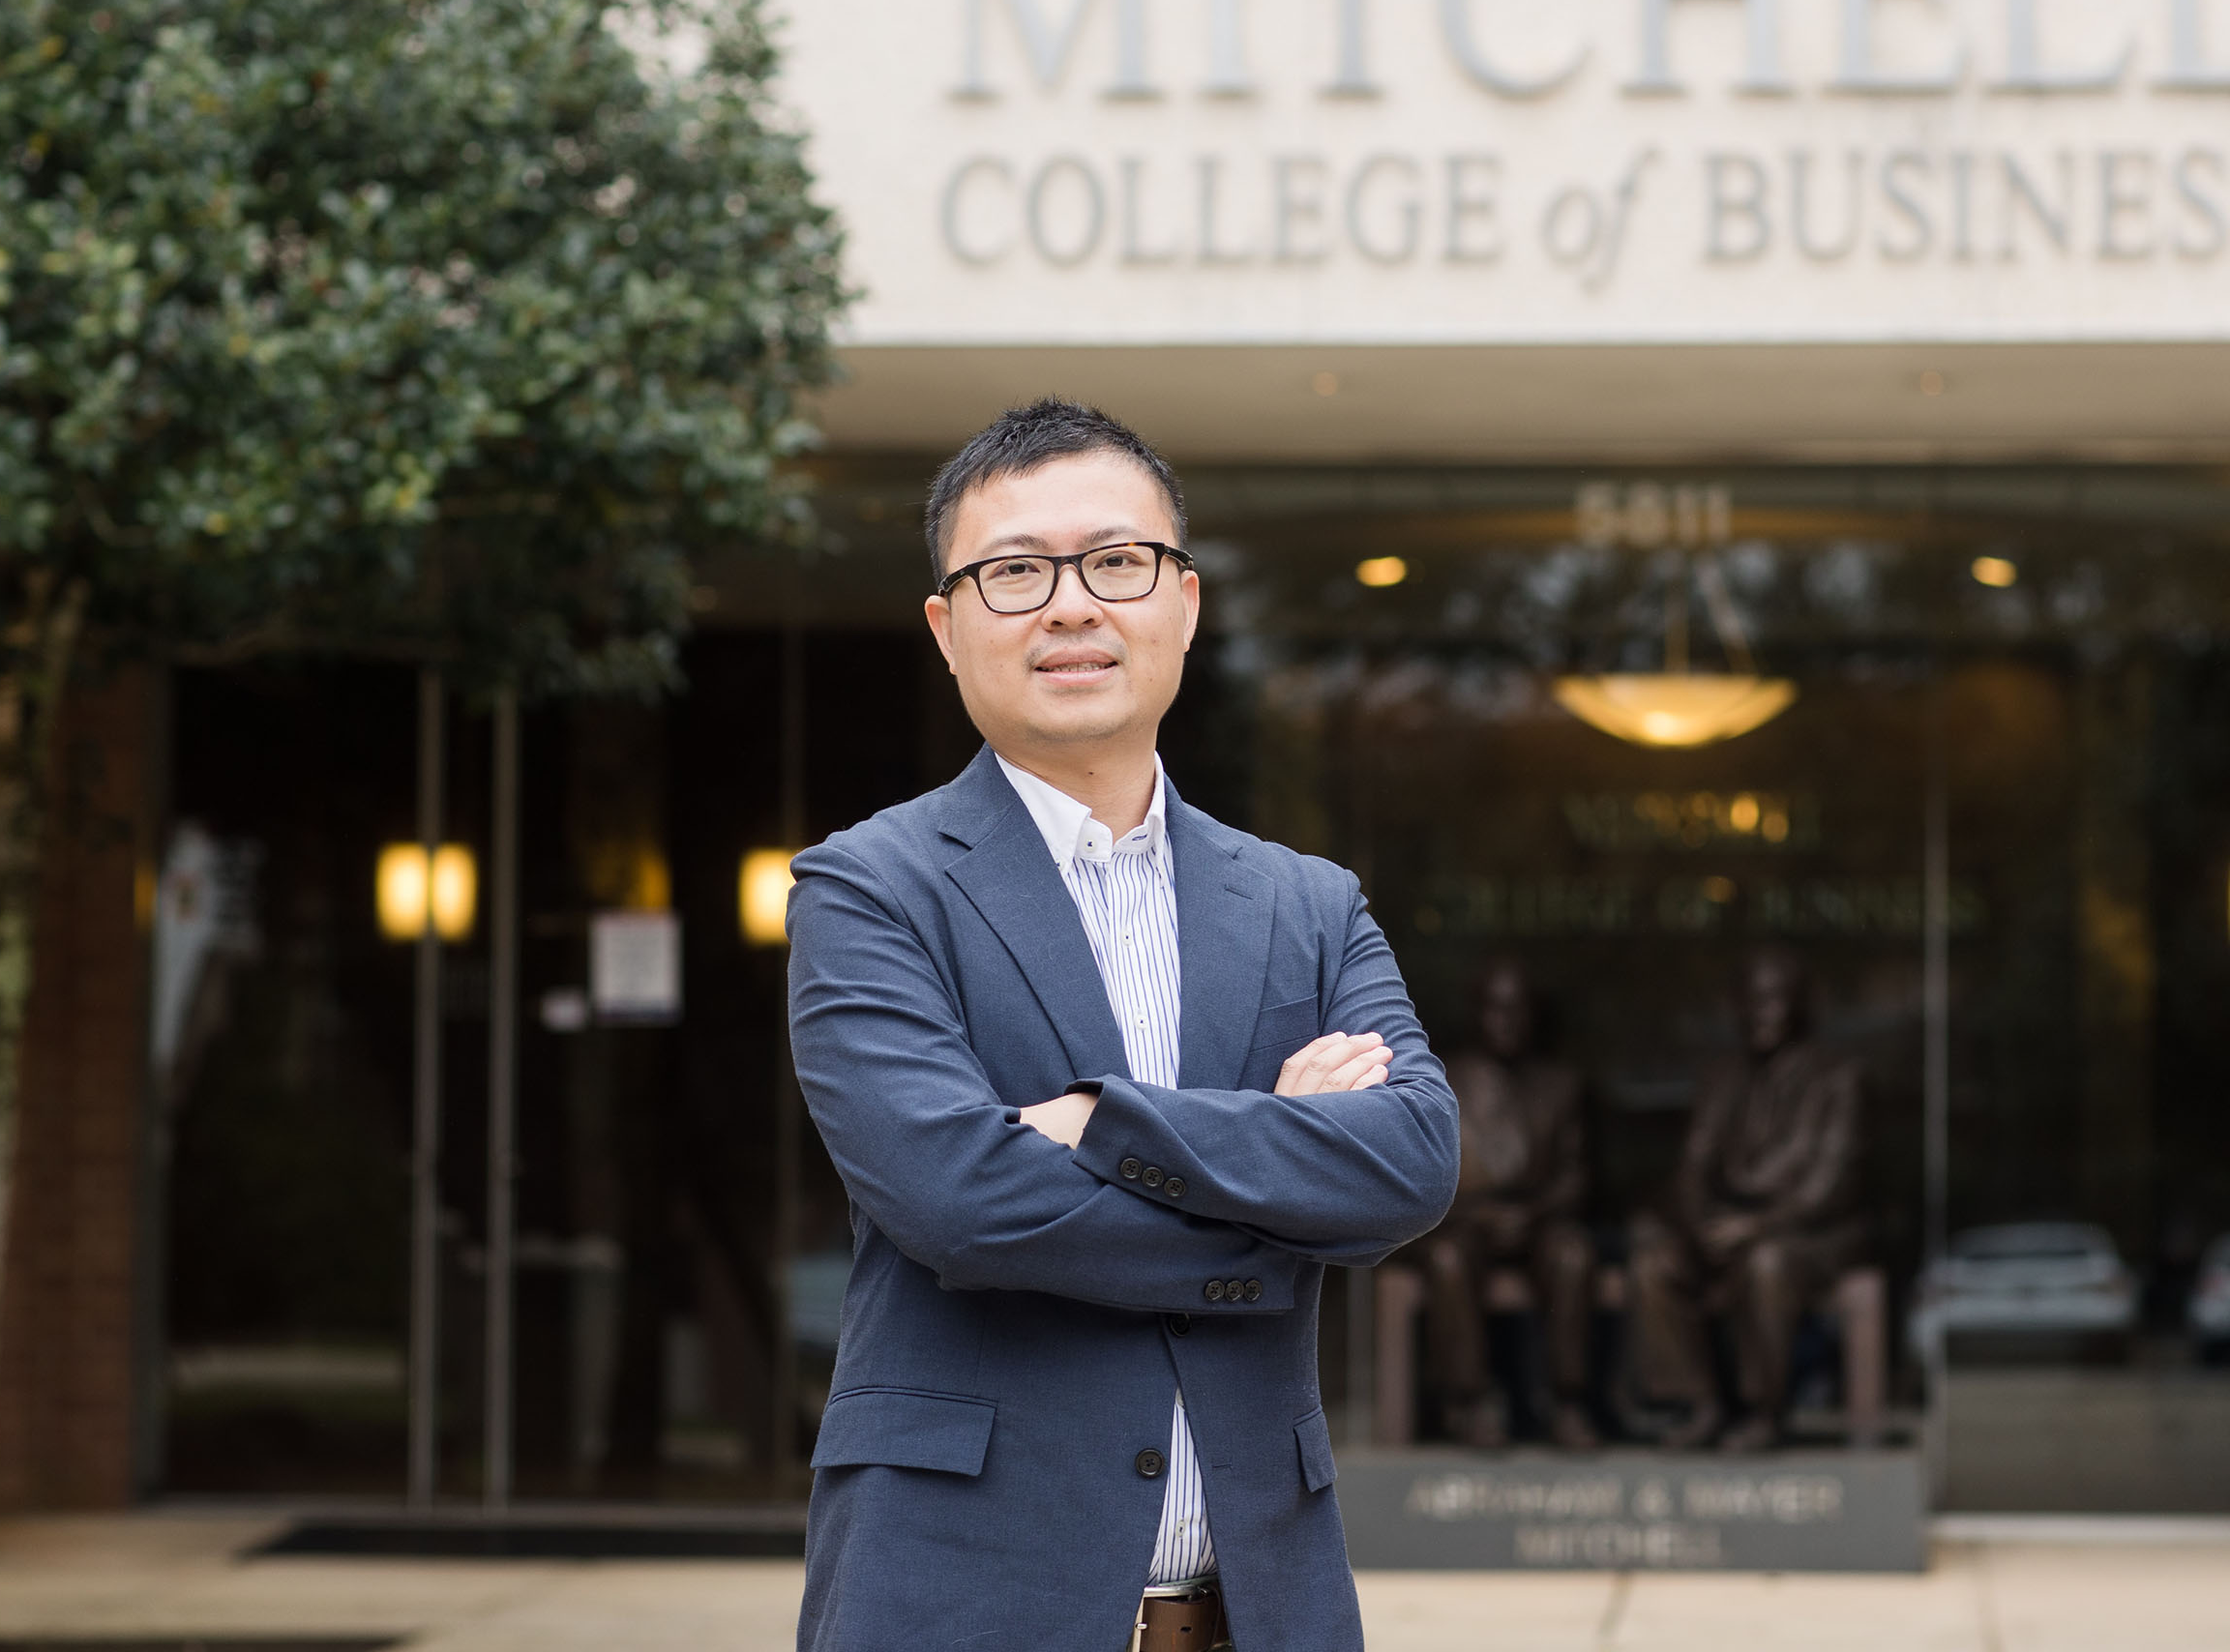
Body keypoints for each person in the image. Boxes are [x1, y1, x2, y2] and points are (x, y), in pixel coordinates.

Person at [785, 398, 1460, 1652]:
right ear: (946, 627)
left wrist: (1104, 1122)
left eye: (1115, 562)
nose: (1071, 606)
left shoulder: (1308, 904)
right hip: (960, 1605)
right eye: (1014, 573)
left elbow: (1411, 1160)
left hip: (1262, 1610)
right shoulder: (868, 889)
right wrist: (1276, 1210)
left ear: (1185, 604)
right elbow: (960, 1199)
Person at [1627, 946, 1862, 1452]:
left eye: (1774, 999)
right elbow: (1692, 1166)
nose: (1761, 1012)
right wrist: (1701, 1225)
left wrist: (1755, 1228)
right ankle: (1699, 1402)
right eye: (1751, 1000)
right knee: (1653, 1265)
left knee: (1767, 1264)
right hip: (1721, 1227)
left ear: (1798, 1004)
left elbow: (1830, 1185)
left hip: (1807, 1231)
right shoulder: (1722, 1076)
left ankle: (1764, 1410)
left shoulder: (1836, 1077)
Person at [1422, 956, 1597, 1448]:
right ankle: (1469, 1403)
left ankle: (1567, 1402)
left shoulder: (1560, 1085)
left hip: (1537, 1220)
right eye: (1497, 1009)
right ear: (1476, 1012)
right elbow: (1420, 1174)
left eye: (1518, 1010)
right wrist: (1475, 1214)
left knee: (1573, 1255)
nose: (1508, 1022)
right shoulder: (1441, 1080)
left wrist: (1533, 1213)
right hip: (1459, 1223)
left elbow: (1576, 1178)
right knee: (1448, 1258)